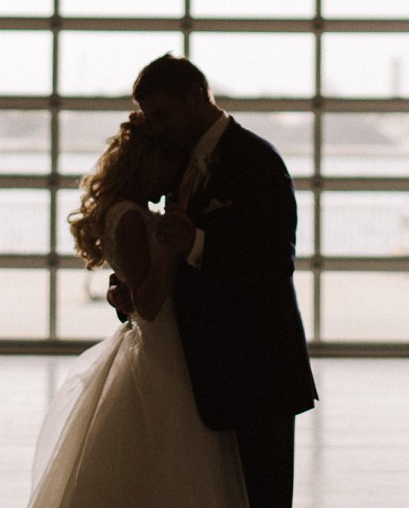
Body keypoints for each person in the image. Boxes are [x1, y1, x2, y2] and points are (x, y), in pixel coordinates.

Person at [120, 55, 318, 508]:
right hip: (203, 372)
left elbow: (274, 261)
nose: (159, 128)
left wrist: (198, 241)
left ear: (196, 97)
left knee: (263, 494)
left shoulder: (257, 159)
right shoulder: (178, 161)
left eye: (164, 115)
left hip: (257, 367)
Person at [28, 118, 248, 508]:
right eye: (166, 166)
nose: (170, 179)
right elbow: (148, 303)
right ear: (146, 163)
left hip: (164, 344)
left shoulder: (129, 211)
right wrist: (169, 248)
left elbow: (134, 287)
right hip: (161, 352)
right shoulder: (129, 216)